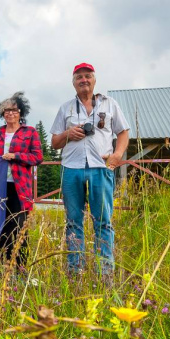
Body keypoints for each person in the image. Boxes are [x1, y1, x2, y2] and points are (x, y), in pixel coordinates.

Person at [50, 63, 130, 278]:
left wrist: (117, 155)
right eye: (79, 77)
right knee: (73, 221)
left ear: (94, 80)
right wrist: (68, 133)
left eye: (87, 76)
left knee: (103, 221)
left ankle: (105, 272)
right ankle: (75, 272)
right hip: (71, 169)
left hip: (100, 168)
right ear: (73, 82)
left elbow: (123, 132)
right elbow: (54, 143)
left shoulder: (110, 104)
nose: (83, 80)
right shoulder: (65, 108)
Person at [0, 92, 43, 269]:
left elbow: (37, 157)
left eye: (14, 110)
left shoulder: (30, 132)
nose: (10, 113)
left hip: (20, 187)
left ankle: (20, 267)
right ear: (2, 114)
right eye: (6, 111)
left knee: (18, 227)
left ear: (21, 112)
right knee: (1, 227)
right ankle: (4, 266)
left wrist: (15, 156)